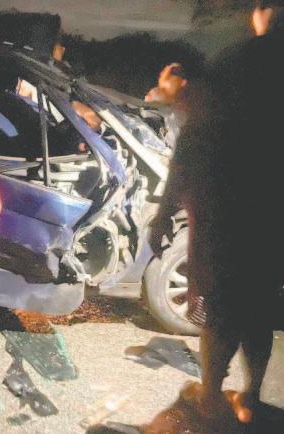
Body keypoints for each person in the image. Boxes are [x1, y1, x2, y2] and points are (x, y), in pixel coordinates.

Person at [149, 0, 284, 426]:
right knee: (258, 310)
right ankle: (252, 394)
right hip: (271, 215)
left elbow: (193, 144)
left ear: (261, 12)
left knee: (219, 310)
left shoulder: (235, 63)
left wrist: (165, 211)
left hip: (226, 210)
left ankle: (211, 393)